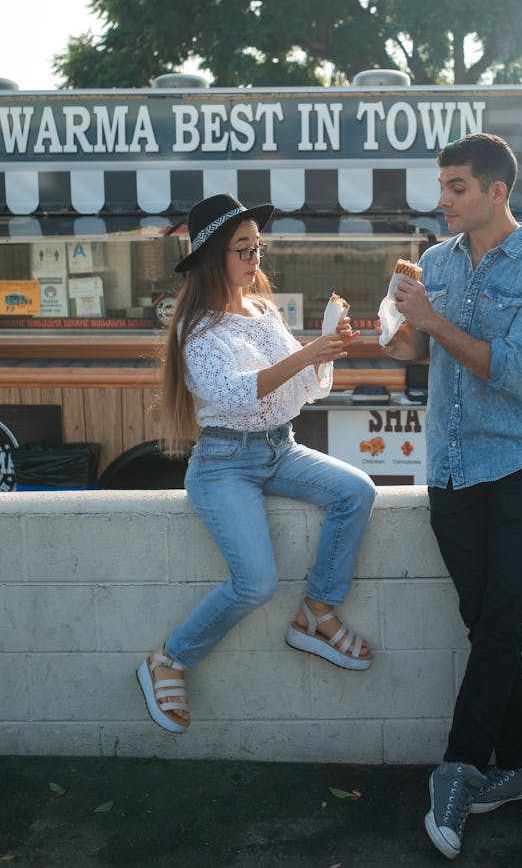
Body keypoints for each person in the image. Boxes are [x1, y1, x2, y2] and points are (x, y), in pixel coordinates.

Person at [380, 134, 522, 860]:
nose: (444, 198)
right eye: (443, 185)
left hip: (517, 464)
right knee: (487, 622)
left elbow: (515, 370)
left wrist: (431, 321)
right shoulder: (433, 264)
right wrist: (399, 338)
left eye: (457, 186)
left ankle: (459, 770)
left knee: (500, 618)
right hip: (450, 470)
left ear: (497, 190)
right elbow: (422, 358)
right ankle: (521, 763)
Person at [136, 193, 376, 734]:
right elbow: (235, 393)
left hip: (279, 447)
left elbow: (303, 385)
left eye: (258, 247)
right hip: (223, 463)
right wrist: (308, 353)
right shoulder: (193, 328)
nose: (254, 259)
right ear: (212, 256)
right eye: (243, 249)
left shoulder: (264, 312)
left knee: (357, 490)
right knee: (255, 584)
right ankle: (168, 659)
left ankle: (317, 610)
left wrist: (325, 349)